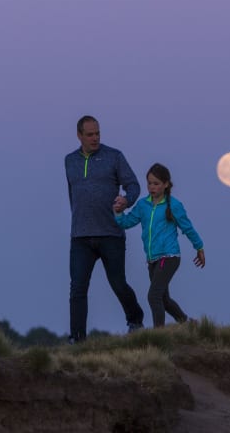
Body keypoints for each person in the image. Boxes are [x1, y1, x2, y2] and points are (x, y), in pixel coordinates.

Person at [65, 115, 145, 343]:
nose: (95, 138)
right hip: (80, 236)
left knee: (118, 283)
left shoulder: (114, 157)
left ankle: (135, 319)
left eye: (98, 133)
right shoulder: (69, 161)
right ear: (79, 135)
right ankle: (77, 338)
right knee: (77, 289)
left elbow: (134, 185)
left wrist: (126, 201)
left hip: (111, 234)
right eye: (90, 134)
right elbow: (73, 194)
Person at [114, 163, 205, 328]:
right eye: (149, 183)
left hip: (169, 257)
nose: (152, 187)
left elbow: (188, 228)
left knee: (153, 296)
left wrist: (199, 248)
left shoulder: (174, 205)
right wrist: (119, 212)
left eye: (156, 183)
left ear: (166, 184)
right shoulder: (143, 205)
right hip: (152, 259)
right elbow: (127, 223)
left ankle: (158, 336)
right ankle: (188, 324)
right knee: (164, 299)